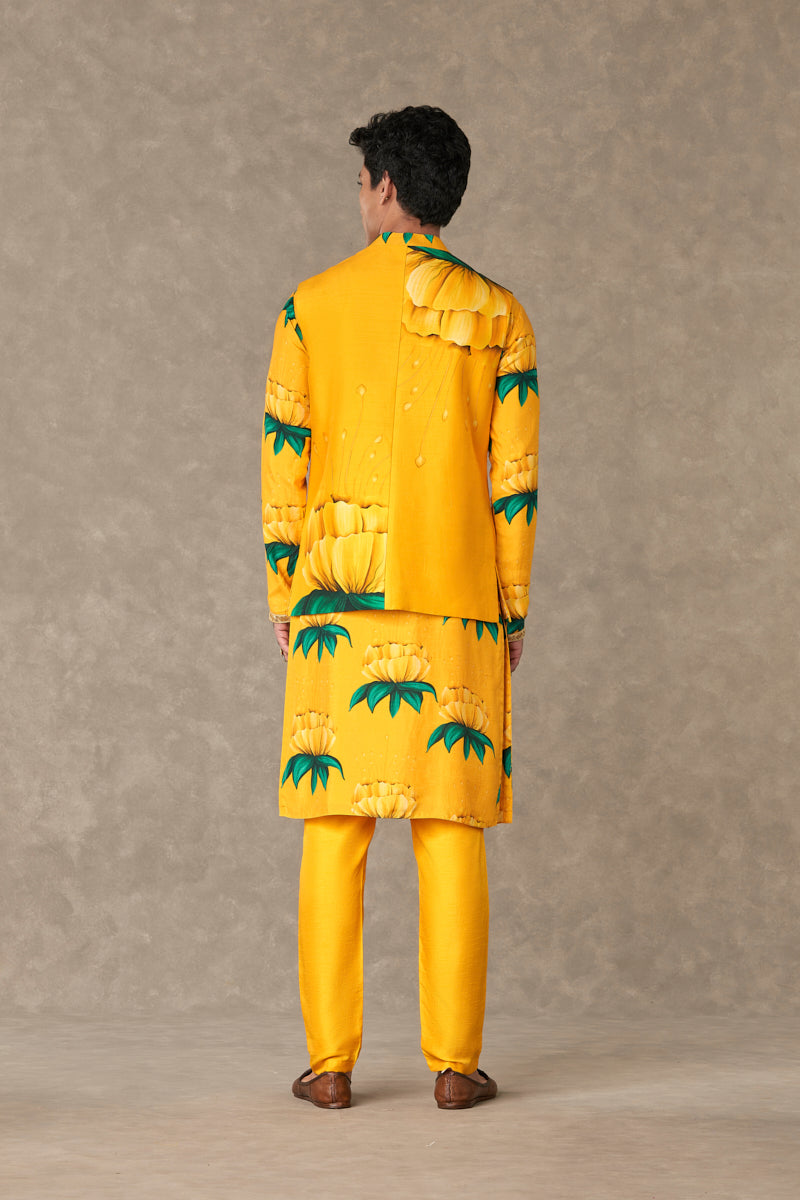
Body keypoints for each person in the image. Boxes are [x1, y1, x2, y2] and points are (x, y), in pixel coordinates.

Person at [261, 105, 539, 1109]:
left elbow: (284, 458)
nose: (360, 198)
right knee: (449, 828)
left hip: (335, 596)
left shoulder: (310, 305)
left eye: (361, 183)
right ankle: (455, 1067)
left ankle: (329, 1066)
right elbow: (513, 481)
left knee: (333, 828)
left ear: (384, 186)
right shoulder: (500, 315)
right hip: (457, 599)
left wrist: (284, 590)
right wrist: (510, 612)